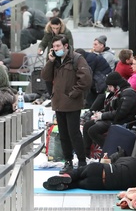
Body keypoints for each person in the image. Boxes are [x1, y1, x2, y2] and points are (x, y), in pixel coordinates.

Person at [41, 35, 92, 174]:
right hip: (58, 102)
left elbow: (86, 79)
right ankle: (68, 161)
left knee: (74, 133)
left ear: (66, 46)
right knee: (63, 134)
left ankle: (81, 161)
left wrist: (73, 94)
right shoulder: (55, 61)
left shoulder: (77, 59)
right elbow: (45, 76)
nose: (55, 49)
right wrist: (50, 61)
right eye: (54, 46)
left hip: (72, 103)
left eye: (58, 46)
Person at [82, 72, 136, 157]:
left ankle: (110, 151)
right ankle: (86, 154)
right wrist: (100, 114)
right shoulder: (120, 92)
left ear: (115, 85)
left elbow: (121, 113)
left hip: (123, 122)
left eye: (109, 86)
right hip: (115, 119)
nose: (109, 89)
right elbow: (113, 109)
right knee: (87, 125)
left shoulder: (128, 94)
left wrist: (102, 116)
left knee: (93, 130)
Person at [42, 156, 136, 191]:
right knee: (77, 184)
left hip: (99, 169)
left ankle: (66, 177)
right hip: (99, 185)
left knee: (77, 173)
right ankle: (66, 185)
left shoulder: (135, 162)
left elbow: (119, 159)